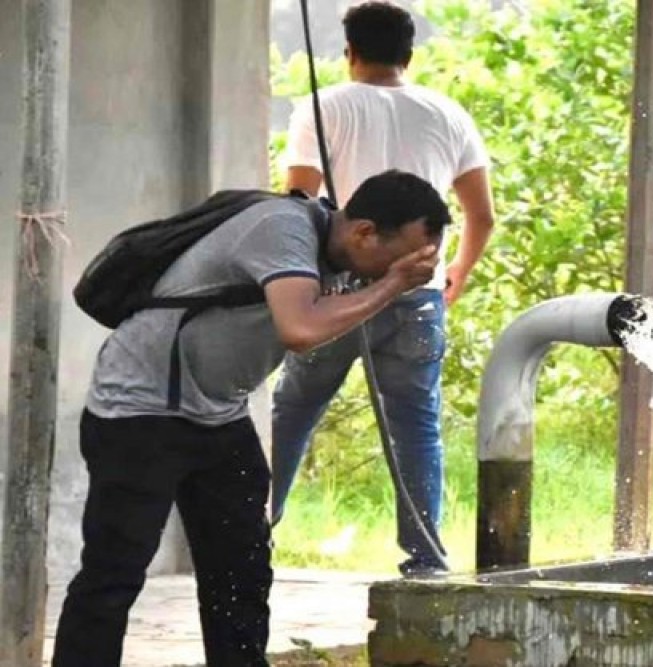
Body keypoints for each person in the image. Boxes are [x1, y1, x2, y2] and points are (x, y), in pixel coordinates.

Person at [52, 171, 449, 667]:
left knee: (241, 569)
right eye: (399, 258)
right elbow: (300, 328)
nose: (405, 272)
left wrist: (387, 278)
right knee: (116, 569)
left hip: (219, 413)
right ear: (364, 232)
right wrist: (392, 286)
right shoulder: (281, 229)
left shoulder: (345, 258)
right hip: (141, 409)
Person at [270, 0, 495, 576]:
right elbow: (481, 216)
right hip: (416, 293)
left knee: (293, 410)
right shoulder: (448, 113)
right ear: (409, 54)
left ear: (348, 53)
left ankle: (255, 530)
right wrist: (455, 275)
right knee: (415, 425)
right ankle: (424, 558)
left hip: (340, 289)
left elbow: (299, 204)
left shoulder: (325, 107)